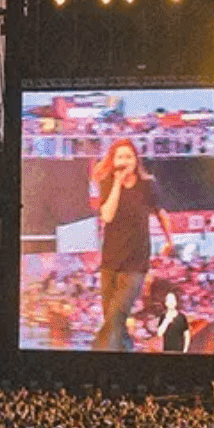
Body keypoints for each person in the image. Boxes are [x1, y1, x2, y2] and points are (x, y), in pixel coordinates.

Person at [90, 140, 172, 352]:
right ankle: (127, 356)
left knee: (115, 318)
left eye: (128, 156)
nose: (124, 161)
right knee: (113, 320)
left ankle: (94, 360)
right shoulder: (108, 182)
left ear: (136, 160)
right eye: (120, 157)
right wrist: (117, 183)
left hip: (136, 262)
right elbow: (107, 215)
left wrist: (169, 239)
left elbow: (160, 212)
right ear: (113, 161)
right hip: (110, 261)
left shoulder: (148, 184)